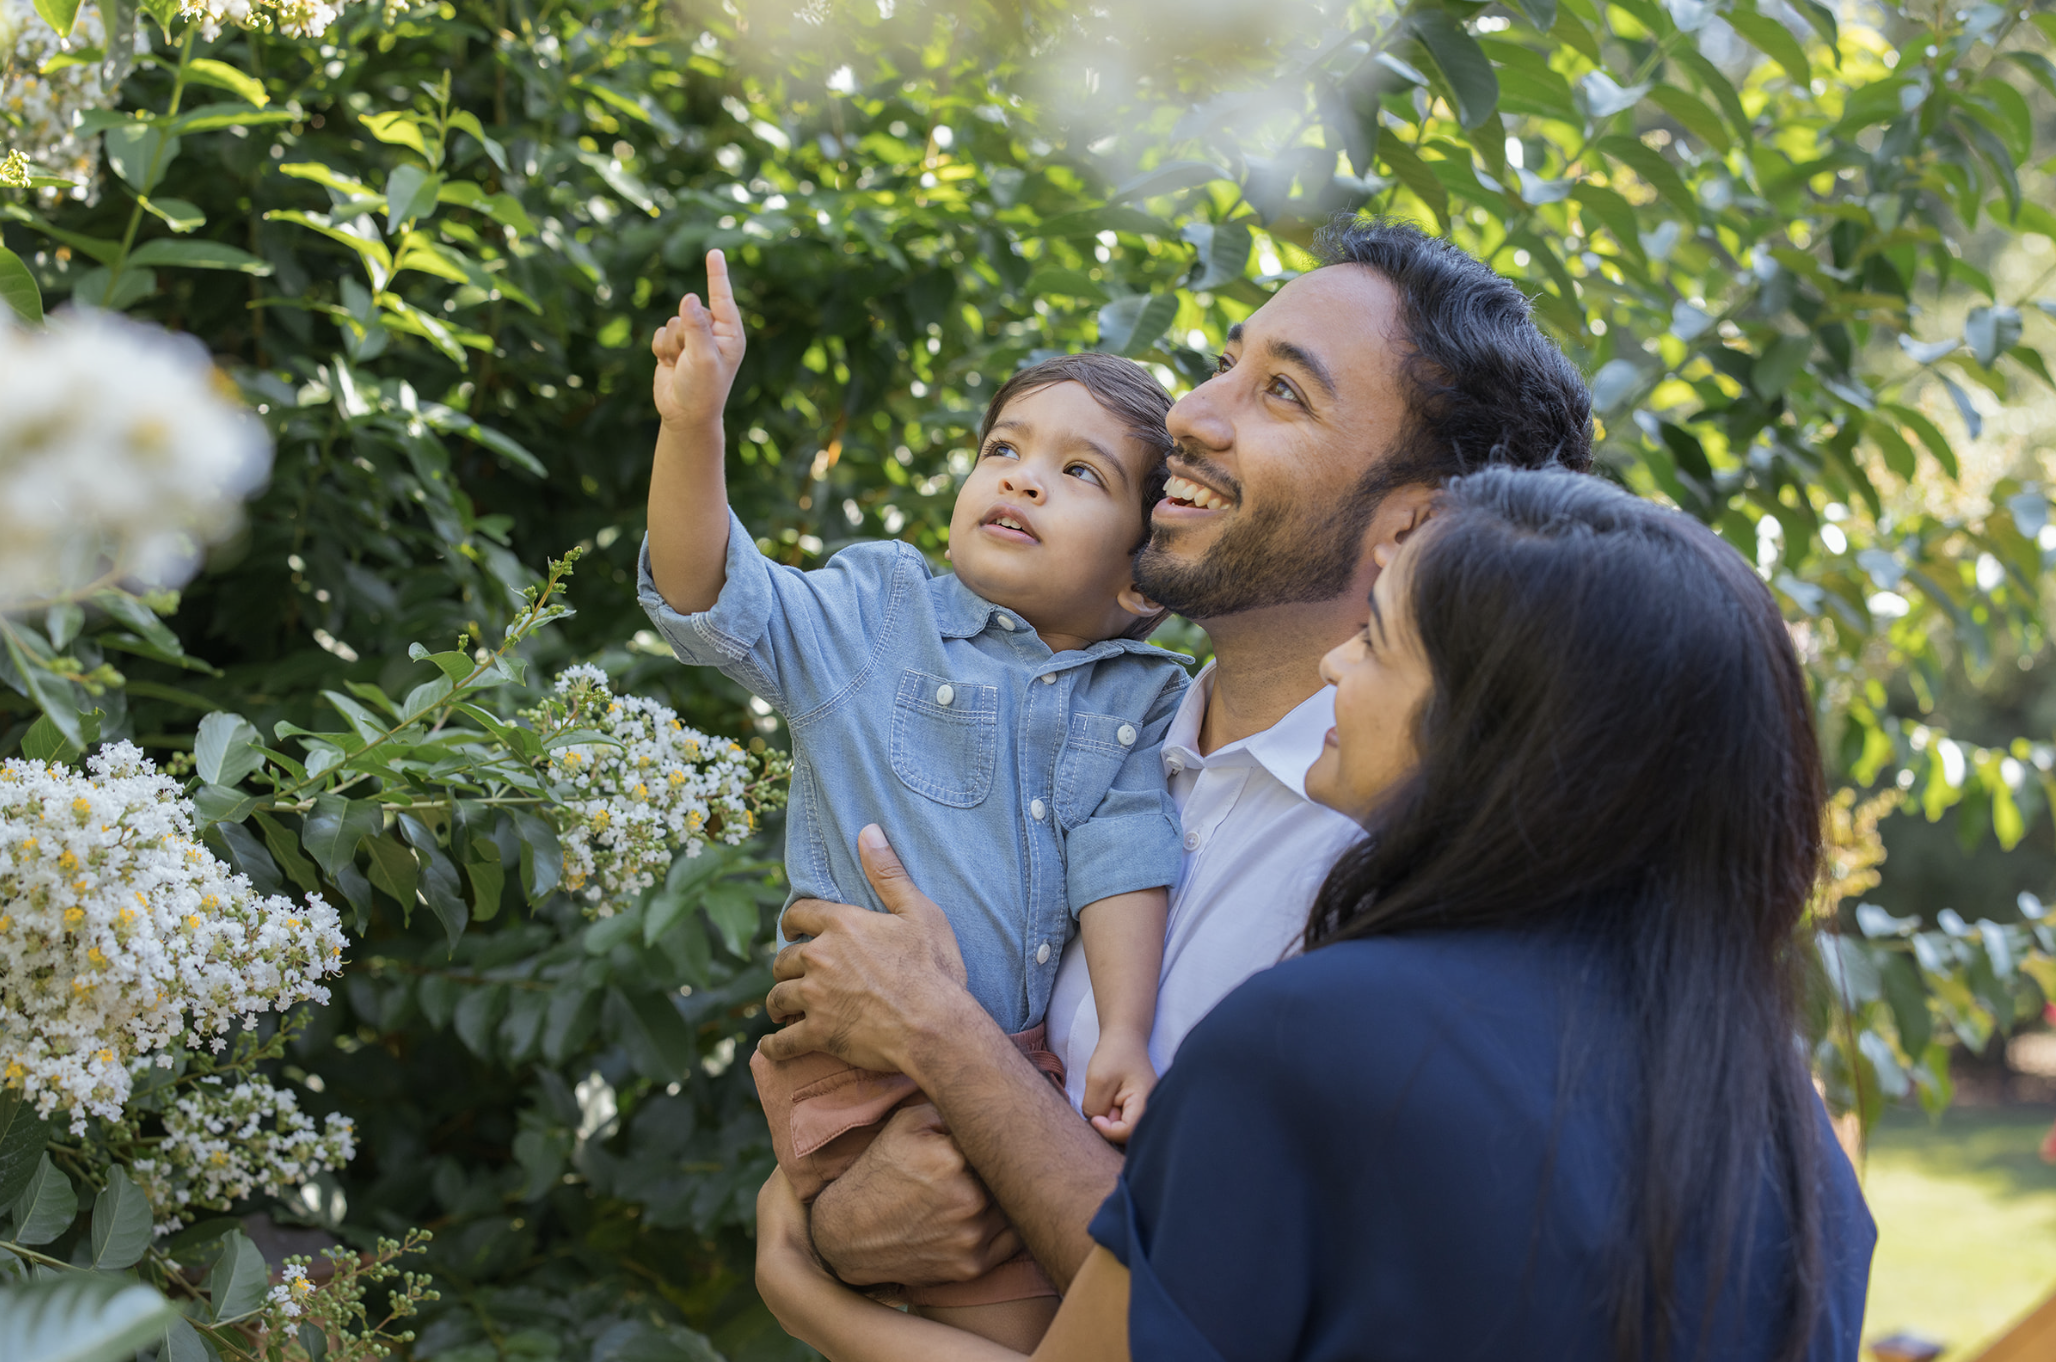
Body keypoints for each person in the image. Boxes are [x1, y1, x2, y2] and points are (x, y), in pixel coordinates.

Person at [753, 466, 1878, 1360]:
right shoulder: (1793, 1148)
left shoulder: (1318, 1036)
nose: (1341, 663)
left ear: (1499, 741)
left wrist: (809, 1300)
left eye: (1381, 639)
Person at [769, 217, 1596, 1300]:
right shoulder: (1088, 730)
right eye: (1222, 364)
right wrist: (813, 1218)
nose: (1190, 418)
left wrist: (932, 1047)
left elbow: (1217, 1306)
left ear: (1413, 525)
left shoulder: (1406, 873)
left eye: (1282, 393)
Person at [637, 250, 1192, 1345]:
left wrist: (1123, 1030)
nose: (1023, 477)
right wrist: (692, 425)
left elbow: (1126, 858)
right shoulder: (876, 613)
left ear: (1139, 580)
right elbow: (708, 599)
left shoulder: (1143, 694)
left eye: (1082, 474)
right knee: (1025, 1310)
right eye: (1004, 450)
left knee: (1069, 1307)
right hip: (857, 1065)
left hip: (1016, 1077)